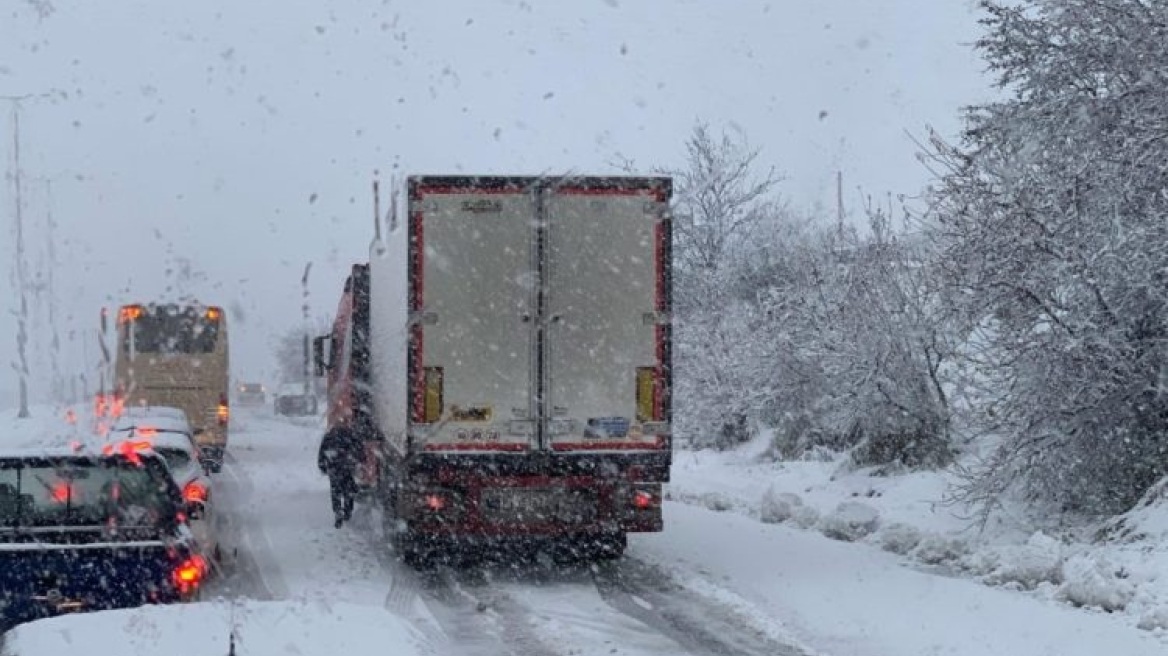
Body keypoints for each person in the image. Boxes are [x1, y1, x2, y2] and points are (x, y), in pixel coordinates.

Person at [317, 417, 363, 528]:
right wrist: (358, 460)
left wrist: (322, 466)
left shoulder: (329, 436)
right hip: (347, 468)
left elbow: (322, 452)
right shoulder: (350, 435)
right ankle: (347, 511)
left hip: (334, 468)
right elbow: (359, 449)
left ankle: (338, 512)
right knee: (348, 491)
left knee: (336, 491)